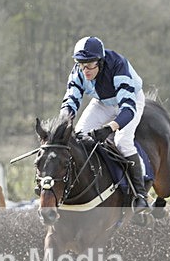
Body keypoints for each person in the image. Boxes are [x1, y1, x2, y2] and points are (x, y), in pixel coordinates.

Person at [60, 36, 149, 212]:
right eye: (81, 64)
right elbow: (70, 101)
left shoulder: (117, 65)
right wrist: (62, 125)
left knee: (122, 141)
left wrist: (110, 128)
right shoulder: (79, 71)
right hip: (102, 102)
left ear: (100, 61)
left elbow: (128, 109)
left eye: (90, 65)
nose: (85, 70)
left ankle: (140, 195)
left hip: (130, 101)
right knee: (78, 137)